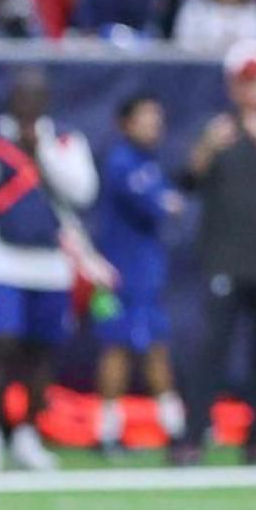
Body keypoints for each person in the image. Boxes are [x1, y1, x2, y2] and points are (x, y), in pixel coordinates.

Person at [0, 68, 99, 472]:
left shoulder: (66, 140)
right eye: (22, 95)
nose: (29, 103)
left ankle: (27, 434)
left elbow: (83, 192)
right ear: (11, 97)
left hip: (50, 264)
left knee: (40, 351)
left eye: (36, 96)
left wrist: (43, 153)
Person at [174, 40, 256, 463]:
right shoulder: (214, 132)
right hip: (225, 260)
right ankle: (193, 435)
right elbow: (186, 179)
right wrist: (208, 148)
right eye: (243, 83)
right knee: (209, 352)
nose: (250, 92)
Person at [92, 93, 187, 453]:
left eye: (157, 116)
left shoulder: (149, 162)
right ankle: (111, 432)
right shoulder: (122, 162)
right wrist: (168, 203)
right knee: (122, 349)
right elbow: (158, 204)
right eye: (145, 117)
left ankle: (170, 428)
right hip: (124, 276)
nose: (154, 124)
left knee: (150, 349)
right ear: (125, 122)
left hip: (144, 274)